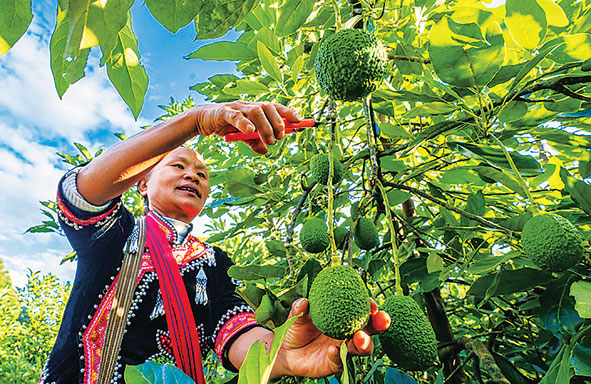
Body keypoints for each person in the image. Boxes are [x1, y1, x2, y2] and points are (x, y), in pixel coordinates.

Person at [39, 101, 391, 383]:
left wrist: (280, 355)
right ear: (142, 184)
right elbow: (82, 194)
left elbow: (232, 329)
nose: (192, 174)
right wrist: (195, 121)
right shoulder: (117, 234)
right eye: (177, 166)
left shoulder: (213, 260)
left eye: (202, 174)